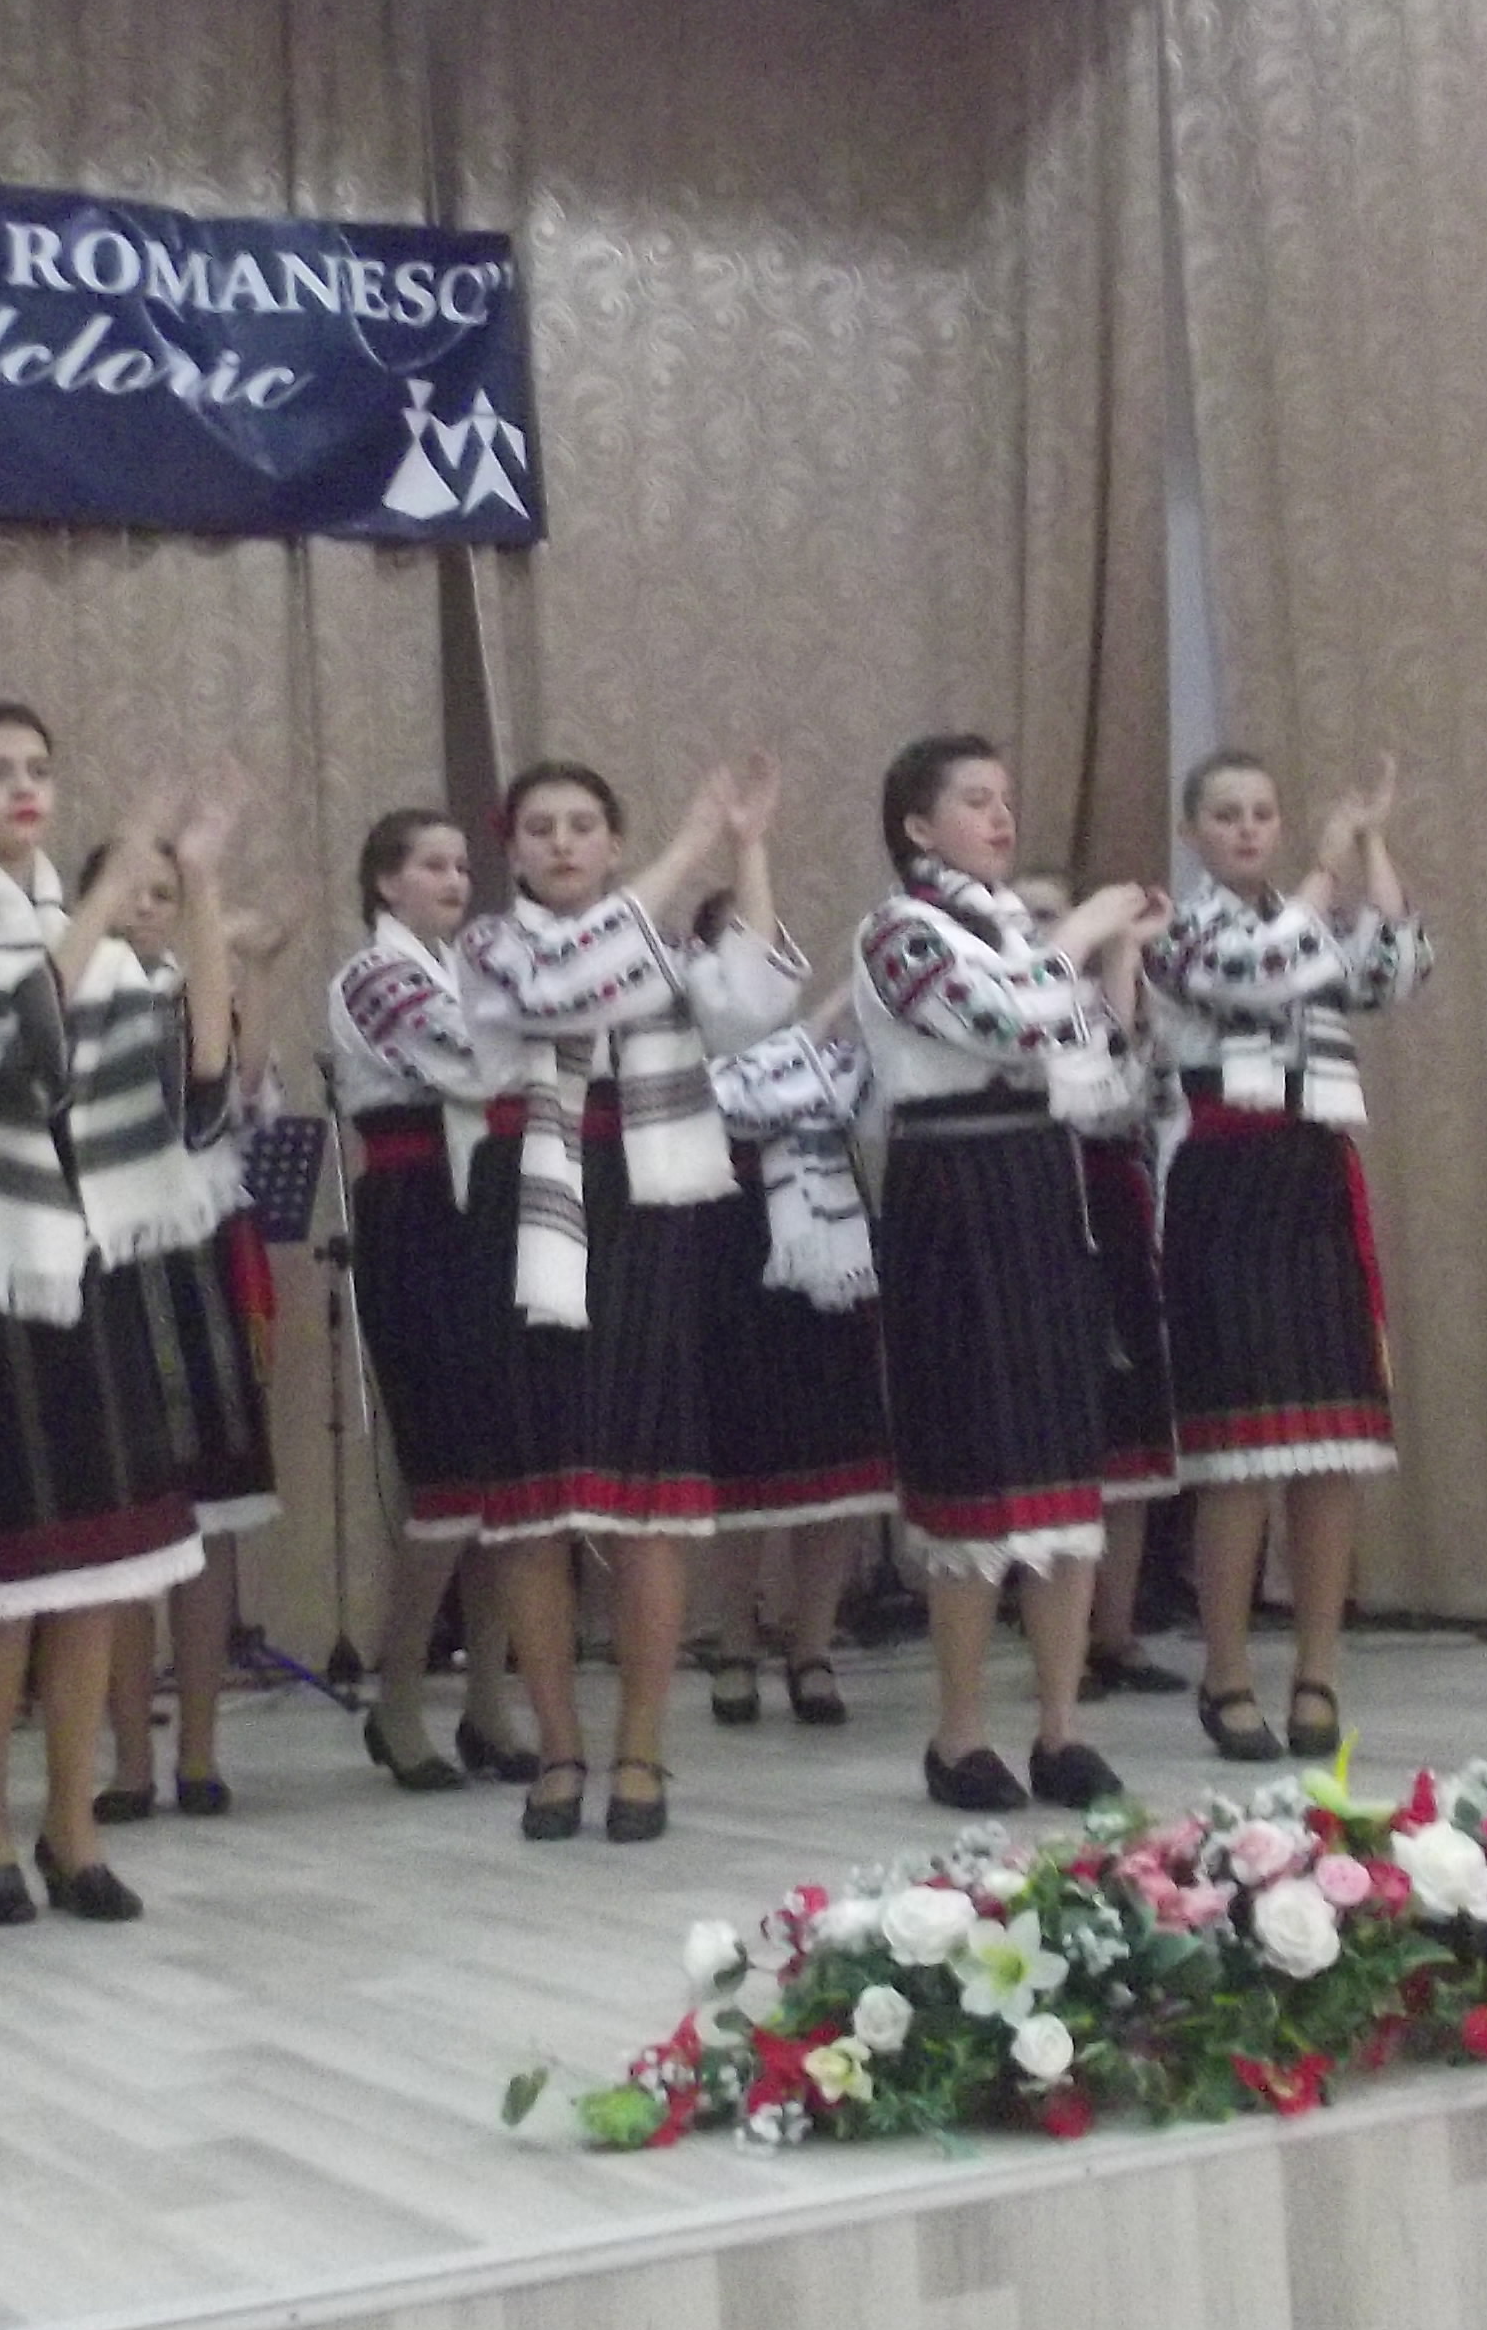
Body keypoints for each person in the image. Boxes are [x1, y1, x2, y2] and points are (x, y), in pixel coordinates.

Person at [0, 703, 239, 1927]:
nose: (25, 787)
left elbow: (198, 1084)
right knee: (13, 1550)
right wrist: (104, 891)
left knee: (102, 1548)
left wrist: (196, 886)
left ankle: (71, 1820)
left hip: (96, 1231)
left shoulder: (89, 931)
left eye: (40, 767)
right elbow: (9, 1053)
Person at [455, 754, 795, 1845]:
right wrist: (688, 846)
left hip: (647, 1202)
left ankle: (642, 1747)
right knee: (534, 1501)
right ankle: (559, 1747)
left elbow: (753, 1007)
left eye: (582, 825)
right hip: (529, 1204)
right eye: (541, 828)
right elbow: (566, 986)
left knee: (650, 1496)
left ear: (611, 843)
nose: (562, 843)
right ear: (513, 850)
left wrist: (746, 848)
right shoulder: (492, 945)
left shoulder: (660, 942)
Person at [853, 735, 1159, 1814]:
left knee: (1064, 1466)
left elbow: (1104, 1085)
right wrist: (1076, 935)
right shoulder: (900, 930)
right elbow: (999, 1020)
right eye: (975, 800)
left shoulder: (1024, 936)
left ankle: (1061, 1728)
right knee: (974, 1471)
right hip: (951, 1191)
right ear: (917, 826)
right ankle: (960, 1734)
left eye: (1005, 798)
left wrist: (1115, 964)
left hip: (1042, 1186)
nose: (1000, 816)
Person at [1143, 749, 1427, 1763]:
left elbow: (1393, 969)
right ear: (1192, 832)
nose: (1248, 830)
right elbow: (1263, 971)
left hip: (1313, 1180)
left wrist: (1370, 842)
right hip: (1227, 1185)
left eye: (1263, 813)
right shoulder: (1180, 931)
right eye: (1226, 815)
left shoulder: (1305, 921)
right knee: (1240, 1454)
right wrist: (1323, 868)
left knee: (1331, 1446)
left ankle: (1317, 1670)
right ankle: (1224, 1670)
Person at [322, 806, 536, 1791]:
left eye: (461, 866)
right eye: (432, 866)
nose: (455, 881)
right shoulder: (376, 975)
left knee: (501, 1482)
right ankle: (399, 1693)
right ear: (385, 884)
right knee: (446, 1477)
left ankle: (488, 1700)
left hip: (484, 1206)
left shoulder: (466, 971)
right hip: (415, 1212)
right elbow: (474, 1058)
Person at [83, 838, 286, 1823]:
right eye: (130, 893)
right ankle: (129, 1758)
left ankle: (199, 1750)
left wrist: (254, 971)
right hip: (111, 1262)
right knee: (127, 1527)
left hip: (197, 1266)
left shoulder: (195, 992)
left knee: (206, 1523)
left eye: (166, 895)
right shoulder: (81, 997)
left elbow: (237, 1094)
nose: (147, 909)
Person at [696, 937, 889, 1733]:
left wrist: (833, 1030)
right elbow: (742, 1098)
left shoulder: (825, 1059)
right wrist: (825, 1018)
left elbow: (863, 1102)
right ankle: (735, 1642)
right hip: (737, 1252)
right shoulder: (701, 1056)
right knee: (748, 1460)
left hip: (831, 1266)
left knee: (836, 1464)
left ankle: (812, 1646)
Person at [1017, 871, 1188, 1709]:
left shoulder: (1119, 1004)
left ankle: (1115, 1632)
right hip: (1043, 1210)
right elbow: (1069, 1100)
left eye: (1051, 914)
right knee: (1055, 1435)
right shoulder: (1010, 1008)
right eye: (1025, 916)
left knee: (1130, 1429)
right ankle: (1058, 1643)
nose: (1037, 927)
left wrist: (1125, 955)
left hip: (1117, 1209)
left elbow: (1135, 1099)